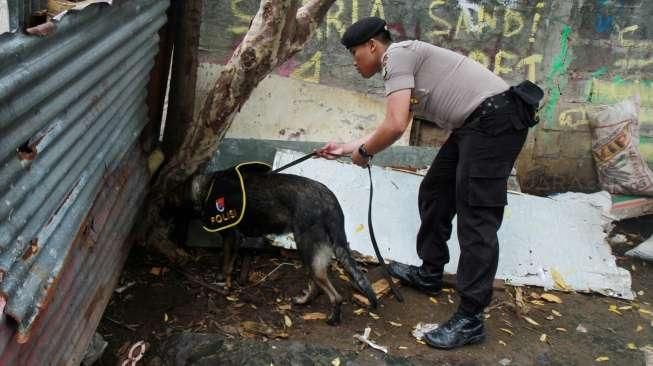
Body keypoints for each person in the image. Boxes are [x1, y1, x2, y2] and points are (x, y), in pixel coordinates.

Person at [316, 17, 539, 349]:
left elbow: (394, 125)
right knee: (435, 191)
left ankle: (471, 319)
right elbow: (393, 122)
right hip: (475, 124)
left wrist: (363, 152)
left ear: (373, 46)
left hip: (495, 122)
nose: (354, 61)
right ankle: (431, 272)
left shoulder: (397, 56)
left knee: (476, 217)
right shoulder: (403, 58)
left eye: (355, 53)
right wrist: (346, 147)